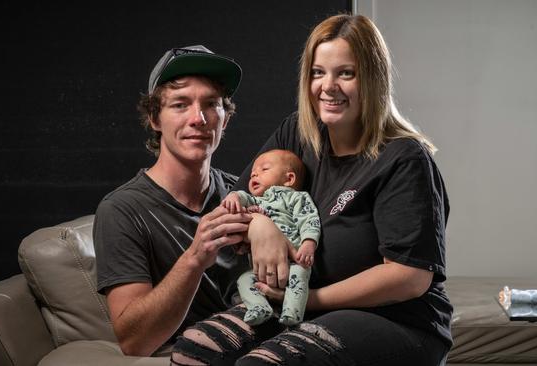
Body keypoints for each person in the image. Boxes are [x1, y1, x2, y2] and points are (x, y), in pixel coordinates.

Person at [171, 14, 452, 366]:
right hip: (298, 307)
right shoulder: (299, 135)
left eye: (345, 73)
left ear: (372, 79)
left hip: (397, 320)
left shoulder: (404, 158)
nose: (328, 86)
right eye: (318, 72)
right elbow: (236, 207)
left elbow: (409, 278)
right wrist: (260, 225)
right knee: (194, 350)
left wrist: (311, 299)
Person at [93, 44, 253, 357]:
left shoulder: (243, 190)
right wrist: (195, 258)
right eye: (180, 105)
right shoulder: (122, 210)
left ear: (226, 119)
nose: (199, 119)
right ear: (155, 118)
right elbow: (135, 342)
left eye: (211, 104)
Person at [222, 149, 320, 326]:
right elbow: (243, 198)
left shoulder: (296, 198)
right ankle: (259, 307)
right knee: (244, 280)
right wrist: (233, 195)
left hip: (293, 260)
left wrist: (308, 243)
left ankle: (293, 312)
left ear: (289, 179)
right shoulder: (257, 202)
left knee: (299, 276)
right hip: (261, 270)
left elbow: (309, 220)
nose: (254, 174)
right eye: (252, 173)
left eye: (264, 169)